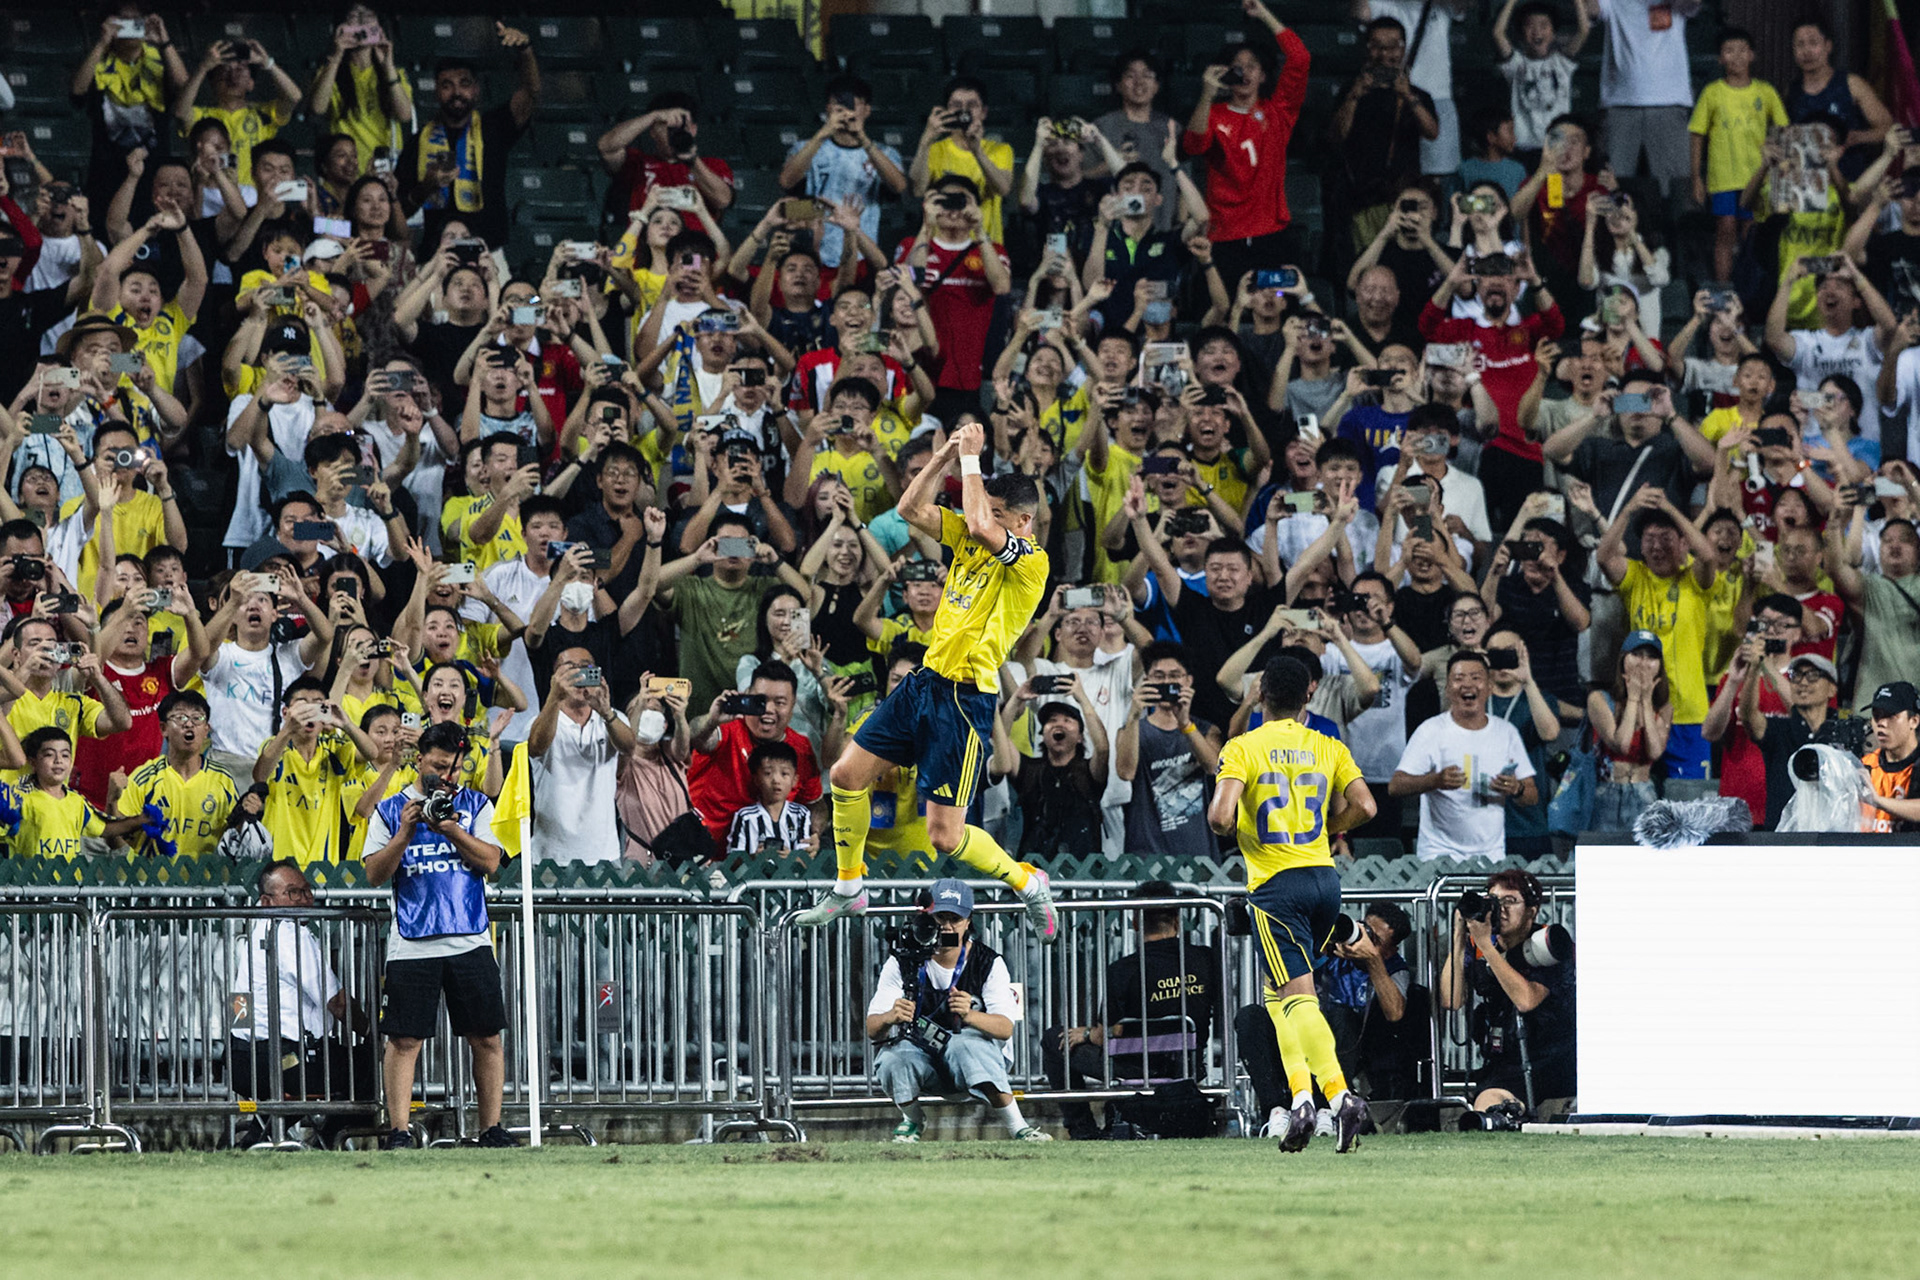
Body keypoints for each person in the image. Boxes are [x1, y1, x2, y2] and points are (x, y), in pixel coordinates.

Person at [795, 424, 1057, 938]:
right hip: (924, 682)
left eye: (1000, 513)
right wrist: (942, 455)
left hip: (965, 699)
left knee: (945, 836)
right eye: (987, 509)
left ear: (1023, 522)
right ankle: (849, 890)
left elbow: (982, 523)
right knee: (846, 776)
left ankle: (1026, 880)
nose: (981, 515)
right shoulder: (970, 537)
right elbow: (911, 510)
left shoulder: (1031, 561)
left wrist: (974, 462)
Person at [1207, 655, 1376, 1152]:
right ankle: (1301, 1097)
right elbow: (1367, 805)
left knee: (1299, 998)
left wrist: (1243, 830)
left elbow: (1219, 818)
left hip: (1276, 885)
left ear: (1259, 695)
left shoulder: (1243, 747)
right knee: (1278, 995)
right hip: (1325, 879)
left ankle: (1340, 1098)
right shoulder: (1329, 745)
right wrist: (1330, 827)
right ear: (1309, 697)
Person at [361, 721, 514, 1149]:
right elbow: (374, 873)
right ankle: (398, 1131)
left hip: (470, 936)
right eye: (439, 767)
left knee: (486, 1036)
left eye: (455, 770)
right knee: (404, 1039)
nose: (447, 778)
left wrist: (452, 829)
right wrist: (406, 832)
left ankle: (491, 1128)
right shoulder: (391, 809)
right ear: (419, 759)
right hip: (411, 940)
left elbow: (491, 862)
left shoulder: (475, 805)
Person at [864, 879, 1050, 1143]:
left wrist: (970, 1015)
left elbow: (1005, 1028)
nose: (947, 927)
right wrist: (890, 1017)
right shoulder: (902, 961)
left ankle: (1019, 1127)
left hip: (974, 1057)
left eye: (955, 919)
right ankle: (912, 1120)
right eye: (940, 918)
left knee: (964, 1046)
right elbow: (873, 1029)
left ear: (968, 921)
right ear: (925, 918)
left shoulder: (990, 962)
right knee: (894, 1058)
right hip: (922, 1054)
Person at [1045, 881, 1220, 1140]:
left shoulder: (1122, 970)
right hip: (1189, 1065)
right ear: (1177, 918)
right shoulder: (1207, 959)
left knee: (1053, 1038)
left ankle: (1084, 1130)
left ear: (1135, 921)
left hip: (1135, 1068)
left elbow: (1108, 1035)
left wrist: (1083, 1034)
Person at [227, 859, 376, 1149]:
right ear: (267, 901)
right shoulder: (291, 934)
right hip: (287, 1062)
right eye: (294, 892)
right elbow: (337, 1002)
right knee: (369, 1067)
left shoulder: (253, 934)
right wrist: (372, 1033)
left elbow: (239, 1005)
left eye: (307, 891)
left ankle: (263, 1136)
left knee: (331, 1069)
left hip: (243, 1060)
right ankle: (328, 1141)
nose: (305, 899)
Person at [1180, 0, 1311, 289]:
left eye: (1252, 67)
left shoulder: (1279, 112)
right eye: (1236, 68)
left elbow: (1300, 58)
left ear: (1263, 76)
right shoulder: (1213, 114)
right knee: (1225, 309)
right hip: (1225, 237)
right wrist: (1207, 94)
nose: (1245, 73)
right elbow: (1193, 146)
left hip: (1271, 236)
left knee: (1274, 304)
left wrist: (1264, 15)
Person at [1596, 487, 1718, 792]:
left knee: (1689, 805)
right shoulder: (1635, 576)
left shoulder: (1695, 579)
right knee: (1634, 797)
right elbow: (1604, 556)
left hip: (1689, 713)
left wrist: (1671, 509)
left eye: (1666, 538)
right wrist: (1628, 509)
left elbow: (1708, 554)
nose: (1657, 546)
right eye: (1649, 539)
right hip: (1641, 712)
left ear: (1682, 543)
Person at [1439, 869, 1576, 1119]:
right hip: (1505, 1058)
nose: (1499, 909)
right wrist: (1459, 937)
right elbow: (1452, 999)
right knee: (1484, 1102)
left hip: (1550, 1058)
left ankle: (1509, 1113)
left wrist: (1486, 947)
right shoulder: (1482, 943)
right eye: (1493, 900)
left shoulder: (1551, 944)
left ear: (1532, 911)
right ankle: (1508, 1114)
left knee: (1489, 1104)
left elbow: (1526, 1000)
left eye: (1510, 901)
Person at [396, 26, 540, 248]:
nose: (456, 93)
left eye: (464, 84)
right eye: (447, 85)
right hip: (438, 254)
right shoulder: (418, 143)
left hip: (489, 250)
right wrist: (426, 187)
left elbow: (530, 93)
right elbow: (400, 211)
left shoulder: (494, 128)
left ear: (476, 90)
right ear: (436, 92)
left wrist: (525, 50)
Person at [1390, 651, 1539, 860]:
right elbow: (1396, 785)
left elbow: (1532, 795)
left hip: (1491, 856)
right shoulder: (1431, 730)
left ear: (1489, 688)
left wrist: (1517, 788)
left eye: (1476, 678)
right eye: (1459, 679)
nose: (1467, 685)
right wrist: (1435, 780)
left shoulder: (1506, 732)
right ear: (1448, 689)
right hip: (1438, 855)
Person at [777, 75, 908, 272]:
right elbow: (787, 184)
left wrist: (863, 139)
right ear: (828, 108)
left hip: (862, 255)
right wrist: (822, 134)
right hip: (812, 256)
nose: (846, 111)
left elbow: (899, 187)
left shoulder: (885, 153)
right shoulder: (805, 147)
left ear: (867, 110)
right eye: (838, 104)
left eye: (852, 104)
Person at [1689, 29, 1787, 284]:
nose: (1736, 56)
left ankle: (1750, 287)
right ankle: (1724, 290)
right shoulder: (1712, 92)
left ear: (1752, 55)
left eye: (1742, 50)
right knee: (1725, 231)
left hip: (1757, 178)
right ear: (1720, 58)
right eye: (1729, 51)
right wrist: (1696, 178)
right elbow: (1697, 135)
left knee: (1751, 234)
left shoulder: (1765, 92)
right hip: (1723, 178)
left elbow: (1783, 130)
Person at [687, 660, 821, 845]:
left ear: (793, 705)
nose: (768, 710)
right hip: (704, 859)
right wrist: (711, 720)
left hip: (766, 864)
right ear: (747, 695)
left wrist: (812, 834)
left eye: (780, 702)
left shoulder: (801, 748)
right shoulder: (726, 730)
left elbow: (814, 804)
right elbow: (695, 737)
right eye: (761, 700)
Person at [527, 646, 636, 864]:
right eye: (569, 669)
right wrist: (554, 699)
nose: (578, 675)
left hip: (603, 853)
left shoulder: (612, 719)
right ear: (555, 679)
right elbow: (536, 747)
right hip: (550, 853)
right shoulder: (540, 722)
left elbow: (629, 747)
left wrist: (606, 712)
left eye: (586, 668)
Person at [1117, 644, 1224, 859]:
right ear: (1146, 680)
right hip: (1146, 853)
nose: (1166, 682)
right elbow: (1125, 773)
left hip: (1199, 853)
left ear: (1188, 681)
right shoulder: (1130, 730)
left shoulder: (1206, 730)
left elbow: (1215, 768)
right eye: (1158, 676)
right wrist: (1133, 715)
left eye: (1175, 675)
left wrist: (1185, 724)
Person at [1745, 652, 1868, 828]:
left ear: (1832, 689)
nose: (1803, 683)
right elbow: (1749, 717)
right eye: (1796, 676)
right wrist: (1753, 670)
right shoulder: (1778, 730)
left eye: (1813, 676)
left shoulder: (1848, 733)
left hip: (1834, 837)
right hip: (1782, 840)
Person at [1587, 0, 1697, 197]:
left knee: (1674, 189)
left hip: (1669, 102)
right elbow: (1591, 9)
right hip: (1620, 104)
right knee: (1612, 185)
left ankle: (1672, 228)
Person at [111, 690, 238, 858]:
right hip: (151, 881)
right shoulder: (145, 778)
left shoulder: (223, 781)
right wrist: (111, 801)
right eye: (180, 718)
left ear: (206, 729)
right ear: (163, 729)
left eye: (197, 718)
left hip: (206, 883)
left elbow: (236, 839)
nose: (189, 724)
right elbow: (117, 840)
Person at [909, 78, 1016, 245]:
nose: (964, 111)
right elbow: (918, 190)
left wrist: (977, 151)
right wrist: (925, 141)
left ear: (983, 112)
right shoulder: (935, 149)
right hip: (941, 247)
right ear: (946, 111)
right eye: (956, 105)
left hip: (985, 247)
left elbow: (1003, 189)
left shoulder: (1000, 150)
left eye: (972, 105)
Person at [1587, 631, 1672, 832]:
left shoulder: (1664, 708)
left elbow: (1654, 752)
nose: (1643, 662)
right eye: (1637, 654)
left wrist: (1645, 701)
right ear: (1623, 659)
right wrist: (1633, 698)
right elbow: (1622, 744)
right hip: (1607, 791)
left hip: (1643, 792)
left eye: (1651, 657)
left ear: (1660, 666)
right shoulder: (1599, 699)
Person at [1494, 0, 1587, 165]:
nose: (1537, 31)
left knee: (1555, 191)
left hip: (1556, 149)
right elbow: (1498, 33)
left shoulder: (1562, 63)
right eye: (1530, 26)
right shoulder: (1516, 64)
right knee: (1526, 190)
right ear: (1522, 32)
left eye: (1544, 25)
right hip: (1523, 149)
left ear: (1553, 33)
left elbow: (1583, 30)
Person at [724, 741, 815, 858]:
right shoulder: (745, 817)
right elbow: (732, 860)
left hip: (791, 876)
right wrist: (753, 858)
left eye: (784, 774)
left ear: (794, 780)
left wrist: (791, 858)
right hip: (753, 876)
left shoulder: (801, 814)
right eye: (768, 773)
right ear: (756, 779)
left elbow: (807, 859)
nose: (776, 780)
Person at [1861, 681, 1920, 833]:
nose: (1881, 723)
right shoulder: (1865, 766)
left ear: (1913, 721)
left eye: (1891, 716)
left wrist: (1877, 801)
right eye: (1876, 715)